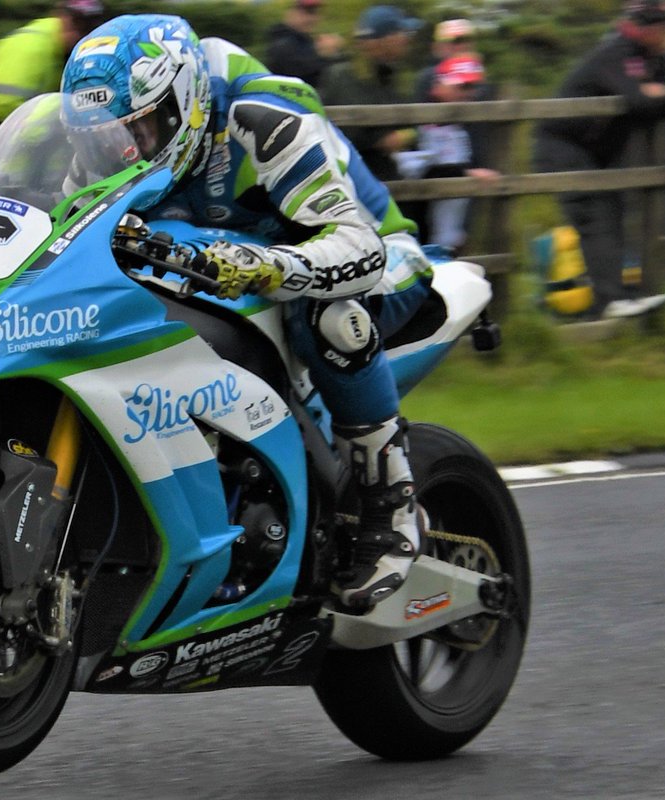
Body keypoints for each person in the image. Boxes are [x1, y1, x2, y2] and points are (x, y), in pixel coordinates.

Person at [62, 14, 439, 611]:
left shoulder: (260, 113)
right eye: (103, 140)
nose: (122, 152)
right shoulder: (117, 140)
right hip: (231, 266)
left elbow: (359, 249)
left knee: (329, 316)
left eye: (137, 130)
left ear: (184, 103)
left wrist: (262, 266)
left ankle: (388, 504)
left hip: (375, 259)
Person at [534, 0, 665, 319]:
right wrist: (654, 92)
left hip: (596, 151)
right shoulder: (613, 52)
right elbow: (635, 101)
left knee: (614, 213)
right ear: (647, 27)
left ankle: (612, 298)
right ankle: (608, 301)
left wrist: (657, 91)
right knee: (594, 217)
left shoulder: (655, 57)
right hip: (562, 146)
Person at [0, 0, 105, 163]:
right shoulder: (29, 48)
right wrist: (59, 131)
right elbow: (1, 105)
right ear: (62, 16)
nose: (81, 35)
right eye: (77, 24)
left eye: (89, 28)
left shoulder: (64, 50)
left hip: (29, 165)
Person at [318, 5, 422, 183]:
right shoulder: (342, 76)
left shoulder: (395, 76)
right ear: (385, 39)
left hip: (386, 179)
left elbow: (414, 124)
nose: (407, 40)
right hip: (348, 182)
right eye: (402, 33)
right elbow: (345, 132)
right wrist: (381, 140)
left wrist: (407, 136)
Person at [412, 54, 501, 252]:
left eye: (473, 87)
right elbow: (416, 170)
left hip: (452, 237)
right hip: (422, 239)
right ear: (438, 86)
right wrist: (466, 175)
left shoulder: (464, 127)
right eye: (462, 87)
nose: (469, 94)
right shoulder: (420, 123)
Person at [263, 0, 343, 89]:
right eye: (307, 12)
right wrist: (326, 56)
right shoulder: (281, 43)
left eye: (315, 13)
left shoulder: (307, 42)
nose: (311, 19)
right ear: (291, 13)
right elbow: (300, 72)